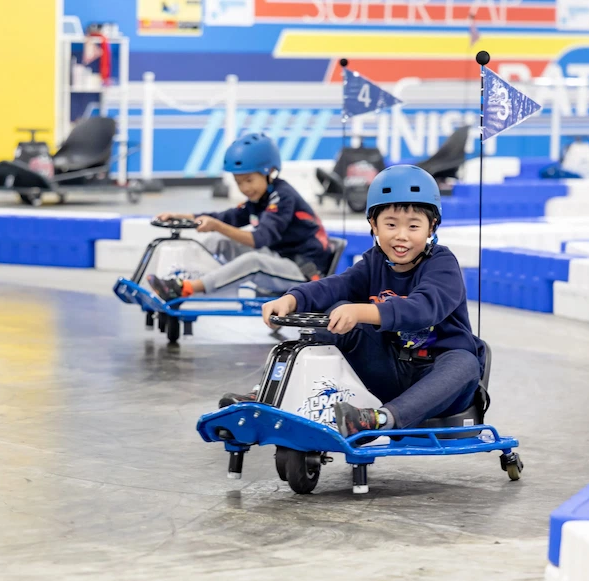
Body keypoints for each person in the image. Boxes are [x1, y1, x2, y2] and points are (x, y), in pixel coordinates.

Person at [222, 164, 485, 439]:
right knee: (336, 314)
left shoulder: (442, 264)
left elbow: (423, 309)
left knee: (465, 363)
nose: (402, 235)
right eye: (391, 225)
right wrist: (293, 298)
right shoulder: (374, 261)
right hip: (392, 372)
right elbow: (338, 285)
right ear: (374, 225)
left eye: (414, 226)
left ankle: (379, 420)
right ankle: (267, 395)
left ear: (431, 226)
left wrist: (362, 310)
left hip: (441, 381)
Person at [146, 133, 333, 300]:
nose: (244, 188)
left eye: (249, 180)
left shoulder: (283, 196)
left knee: (253, 262)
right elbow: (227, 217)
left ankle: (185, 289)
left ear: (269, 172)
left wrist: (217, 225)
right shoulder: (260, 197)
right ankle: (183, 278)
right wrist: (181, 216)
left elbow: (258, 239)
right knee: (219, 240)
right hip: (280, 257)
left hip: (304, 270)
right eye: (238, 182)